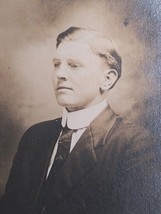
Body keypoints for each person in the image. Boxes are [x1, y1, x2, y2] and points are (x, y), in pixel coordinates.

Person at [0, 26, 161, 214]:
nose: (60, 74)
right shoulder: (34, 136)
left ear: (108, 79)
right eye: (56, 64)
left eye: (74, 65)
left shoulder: (134, 145)